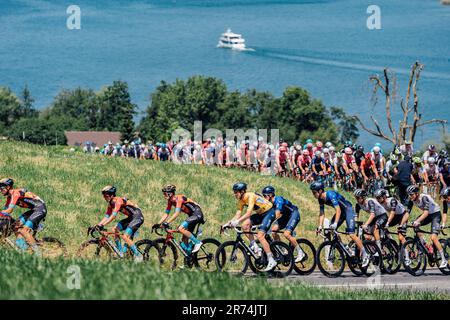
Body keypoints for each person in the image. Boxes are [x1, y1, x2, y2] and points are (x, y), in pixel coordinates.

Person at [309, 181, 369, 267]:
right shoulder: (320, 199)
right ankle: (346, 249)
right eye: (312, 192)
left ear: (320, 191)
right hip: (341, 213)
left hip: (347, 210)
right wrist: (320, 226)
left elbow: (338, 210)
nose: (313, 194)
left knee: (351, 234)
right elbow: (322, 213)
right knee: (331, 230)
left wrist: (336, 223)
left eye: (314, 192)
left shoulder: (330, 194)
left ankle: (365, 254)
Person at [225, 182, 277, 271]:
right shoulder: (241, 201)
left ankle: (271, 260)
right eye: (234, 192)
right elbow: (238, 214)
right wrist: (228, 223)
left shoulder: (250, 196)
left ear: (242, 191)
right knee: (244, 226)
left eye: (236, 192)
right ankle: (255, 246)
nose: (234, 194)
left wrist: (237, 222)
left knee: (260, 235)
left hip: (269, 212)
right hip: (260, 214)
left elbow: (248, 213)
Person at [94, 186, 144, 262]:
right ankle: (121, 253)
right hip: (131, 218)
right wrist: (97, 225)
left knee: (125, 236)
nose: (104, 198)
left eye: (106, 196)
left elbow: (113, 216)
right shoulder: (110, 204)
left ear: (111, 195)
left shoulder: (118, 201)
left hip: (138, 217)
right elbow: (107, 216)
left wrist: (103, 225)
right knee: (114, 230)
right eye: (103, 196)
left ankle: (139, 255)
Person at [0, 178, 46, 256]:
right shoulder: (9, 197)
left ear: (8, 187)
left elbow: (9, 210)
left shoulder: (15, 193)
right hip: (33, 210)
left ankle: (38, 254)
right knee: (15, 226)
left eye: (1, 188)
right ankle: (24, 250)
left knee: (24, 230)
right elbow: (4, 212)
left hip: (40, 209)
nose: (0, 190)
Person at [406, 185, 447, 268]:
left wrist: (417, 221)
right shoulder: (412, 200)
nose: (410, 196)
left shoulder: (424, 198)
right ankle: (424, 244)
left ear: (417, 193)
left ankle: (444, 259)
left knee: (433, 238)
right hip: (428, 215)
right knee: (415, 227)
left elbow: (426, 213)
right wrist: (403, 223)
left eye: (411, 194)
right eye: (409, 195)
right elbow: (407, 213)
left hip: (435, 214)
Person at [153, 185, 203, 253]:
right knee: (184, 240)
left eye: (165, 193)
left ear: (169, 193)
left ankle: (197, 242)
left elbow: (177, 213)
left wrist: (167, 222)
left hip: (197, 214)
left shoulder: (179, 198)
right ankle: (189, 257)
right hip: (191, 216)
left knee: (180, 228)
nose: (163, 195)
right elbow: (166, 214)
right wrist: (158, 224)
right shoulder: (170, 201)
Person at [261, 186, 305, 263]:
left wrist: (267, 223)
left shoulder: (278, 200)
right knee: (274, 231)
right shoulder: (270, 204)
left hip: (293, 214)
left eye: (265, 196)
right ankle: (282, 251)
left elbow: (277, 215)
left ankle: (301, 253)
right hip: (285, 216)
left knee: (286, 234)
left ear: (270, 195)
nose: (264, 198)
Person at [354, 189, 388, 254]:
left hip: (382, 215)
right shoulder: (358, 204)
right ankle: (374, 242)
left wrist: (366, 224)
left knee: (375, 229)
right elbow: (356, 216)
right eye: (356, 198)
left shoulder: (370, 201)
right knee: (366, 233)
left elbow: (372, 215)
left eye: (358, 197)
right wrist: (355, 223)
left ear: (363, 197)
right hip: (375, 217)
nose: (357, 199)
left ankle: (379, 250)